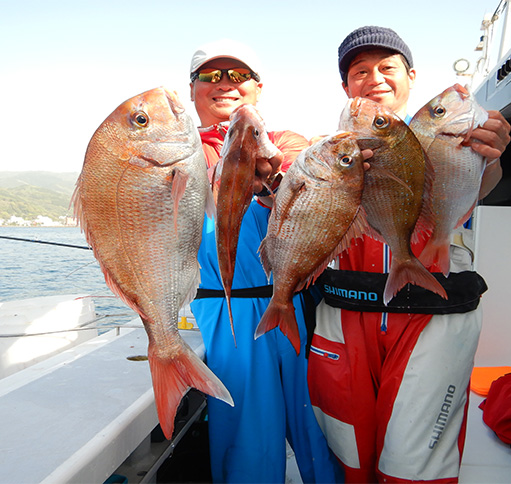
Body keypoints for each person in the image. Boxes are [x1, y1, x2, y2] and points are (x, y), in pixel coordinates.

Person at [306, 26, 511, 483]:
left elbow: (477, 185)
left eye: (387, 67)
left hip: (431, 314)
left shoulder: (444, 136)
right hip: (346, 315)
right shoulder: (325, 151)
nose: (374, 78)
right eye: (360, 71)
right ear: (346, 86)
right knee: (348, 454)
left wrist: (490, 156)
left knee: (413, 465)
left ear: (410, 76)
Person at [186, 39, 343, 483]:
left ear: (258, 87)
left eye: (238, 75)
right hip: (223, 311)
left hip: (292, 302)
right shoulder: (179, 155)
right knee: (247, 442)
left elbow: (308, 188)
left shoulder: (287, 143)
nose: (225, 84)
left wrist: (272, 181)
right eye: (211, 75)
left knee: (319, 429)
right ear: (192, 88)